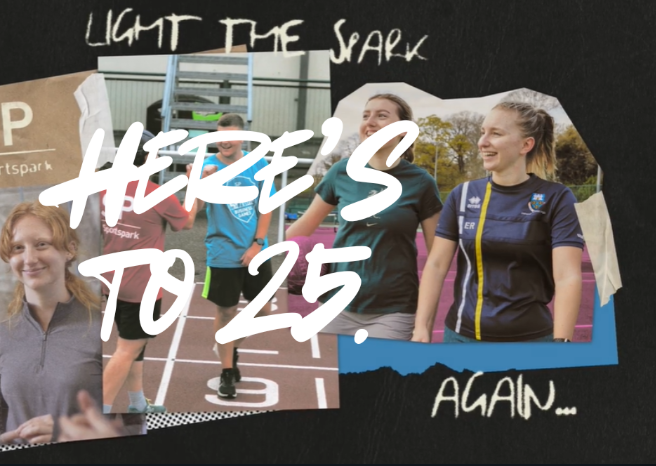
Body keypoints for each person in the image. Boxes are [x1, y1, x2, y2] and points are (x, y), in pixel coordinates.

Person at [412, 101, 584, 343]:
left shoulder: (557, 198)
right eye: (483, 132)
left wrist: (562, 342)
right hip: (461, 340)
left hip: (530, 343)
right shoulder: (462, 195)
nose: (482, 142)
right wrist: (421, 328)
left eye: (496, 133)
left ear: (526, 145)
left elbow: (567, 276)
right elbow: (436, 265)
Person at [286, 93, 443, 340]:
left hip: (394, 311)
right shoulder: (341, 172)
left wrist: (424, 323)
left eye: (382, 116)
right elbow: (297, 232)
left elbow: (438, 258)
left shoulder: (421, 183)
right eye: (366, 115)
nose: (370, 122)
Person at [0, 202, 142, 445]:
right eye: (17, 248)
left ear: (69, 249)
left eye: (41, 244)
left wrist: (74, 432)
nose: (29, 258)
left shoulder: (105, 329)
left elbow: (137, 425)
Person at [99, 130, 203, 414]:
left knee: (133, 346)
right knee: (127, 350)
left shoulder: (105, 187)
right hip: (142, 288)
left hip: (111, 282)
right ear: (148, 157)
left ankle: (137, 404)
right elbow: (188, 221)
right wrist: (194, 183)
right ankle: (97, 416)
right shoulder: (157, 194)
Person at [193, 113, 276, 399]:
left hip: (256, 251)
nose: (224, 142)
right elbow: (195, 208)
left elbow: (266, 207)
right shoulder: (208, 166)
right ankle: (227, 370)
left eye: (230, 136)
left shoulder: (258, 164)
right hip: (222, 252)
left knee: (264, 312)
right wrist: (202, 183)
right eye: (219, 137)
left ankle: (229, 346)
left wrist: (257, 244)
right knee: (226, 312)